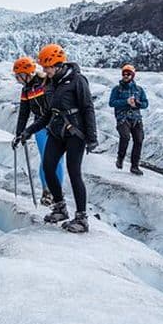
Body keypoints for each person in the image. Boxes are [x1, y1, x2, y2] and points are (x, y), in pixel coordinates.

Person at [14, 44, 98, 234]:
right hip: (56, 130)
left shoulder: (77, 80)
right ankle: (60, 207)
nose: (44, 70)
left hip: (76, 132)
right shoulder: (51, 84)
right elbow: (47, 115)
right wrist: (27, 131)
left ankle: (82, 217)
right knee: (48, 167)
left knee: (73, 171)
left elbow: (87, 108)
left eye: (47, 67)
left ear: (57, 64)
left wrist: (92, 137)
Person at [11, 56, 65, 206]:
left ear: (26, 73)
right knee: (46, 159)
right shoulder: (26, 90)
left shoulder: (46, 82)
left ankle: (57, 192)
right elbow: (23, 113)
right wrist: (19, 134)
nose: (17, 79)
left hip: (55, 125)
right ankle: (47, 190)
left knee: (58, 160)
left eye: (18, 76)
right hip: (40, 126)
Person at [109, 64, 149, 176]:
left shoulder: (139, 90)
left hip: (136, 118)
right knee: (125, 137)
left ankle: (134, 166)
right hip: (122, 118)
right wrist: (125, 102)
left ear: (133, 75)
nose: (125, 76)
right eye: (124, 74)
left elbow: (146, 103)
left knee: (139, 140)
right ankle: (120, 158)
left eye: (128, 74)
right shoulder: (117, 89)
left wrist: (138, 103)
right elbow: (111, 102)